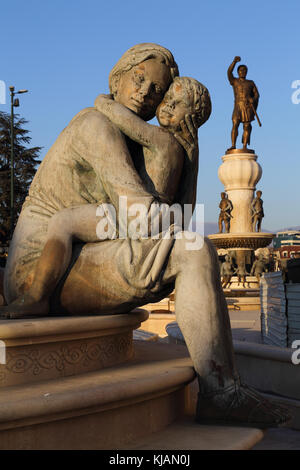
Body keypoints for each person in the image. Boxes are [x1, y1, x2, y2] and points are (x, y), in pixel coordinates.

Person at [2, 43, 289, 427]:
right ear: (120, 75)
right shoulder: (95, 124)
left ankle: (224, 389)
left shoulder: (134, 141)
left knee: (191, 247)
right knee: (191, 251)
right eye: (140, 79)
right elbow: (145, 217)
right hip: (40, 270)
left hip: (80, 251)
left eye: (157, 91)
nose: (145, 93)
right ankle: (222, 393)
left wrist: (190, 154)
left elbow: (176, 216)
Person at [1, 76, 211, 317]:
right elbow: (185, 210)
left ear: (191, 120)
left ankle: (38, 297)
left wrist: (103, 101)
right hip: (146, 219)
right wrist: (194, 158)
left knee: (63, 222)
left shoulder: (160, 139)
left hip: (139, 221)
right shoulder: (183, 152)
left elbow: (122, 118)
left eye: (177, 104)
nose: (169, 105)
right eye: (168, 98)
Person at [227, 56, 259, 150]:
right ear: (238, 72)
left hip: (247, 107)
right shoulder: (235, 81)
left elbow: (257, 94)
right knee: (235, 123)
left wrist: (253, 99)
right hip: (238, 106)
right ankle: (233, 145)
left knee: (246, 126)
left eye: (245, 70)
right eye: (241, 70)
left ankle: (245, 146)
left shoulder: (250, 83)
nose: (243, 72)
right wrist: (234, 62)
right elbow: (229, 72)